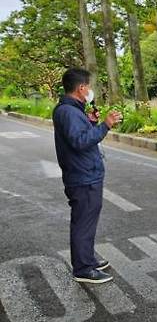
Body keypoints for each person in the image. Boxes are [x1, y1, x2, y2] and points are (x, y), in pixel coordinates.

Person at [52, 67, 123, 284]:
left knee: (87, 220)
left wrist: (91, 122)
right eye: (89, 86)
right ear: (81, 88)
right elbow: (80, 141)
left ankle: (87, 259)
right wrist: (105, 125)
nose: (90, 90)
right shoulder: (68, 111)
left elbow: (80, 134)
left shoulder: (72, 110)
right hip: (83, 177)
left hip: (85, 174)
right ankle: (83, 268)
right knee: (83, 221)